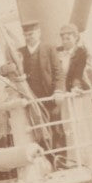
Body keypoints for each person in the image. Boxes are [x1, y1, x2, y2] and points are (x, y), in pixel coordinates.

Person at [18, 22, 66, 161]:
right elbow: (8, 69)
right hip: (32, 100)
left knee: (56, 128)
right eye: (26, 35)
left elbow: (58, 72)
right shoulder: (20, 53)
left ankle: (61, 160)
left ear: (38, 33)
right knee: (37, 130)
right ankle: (46, 161)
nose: (29, 37)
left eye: (31, 34)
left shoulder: (49, 48)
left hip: (50, 97)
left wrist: (58, 90)